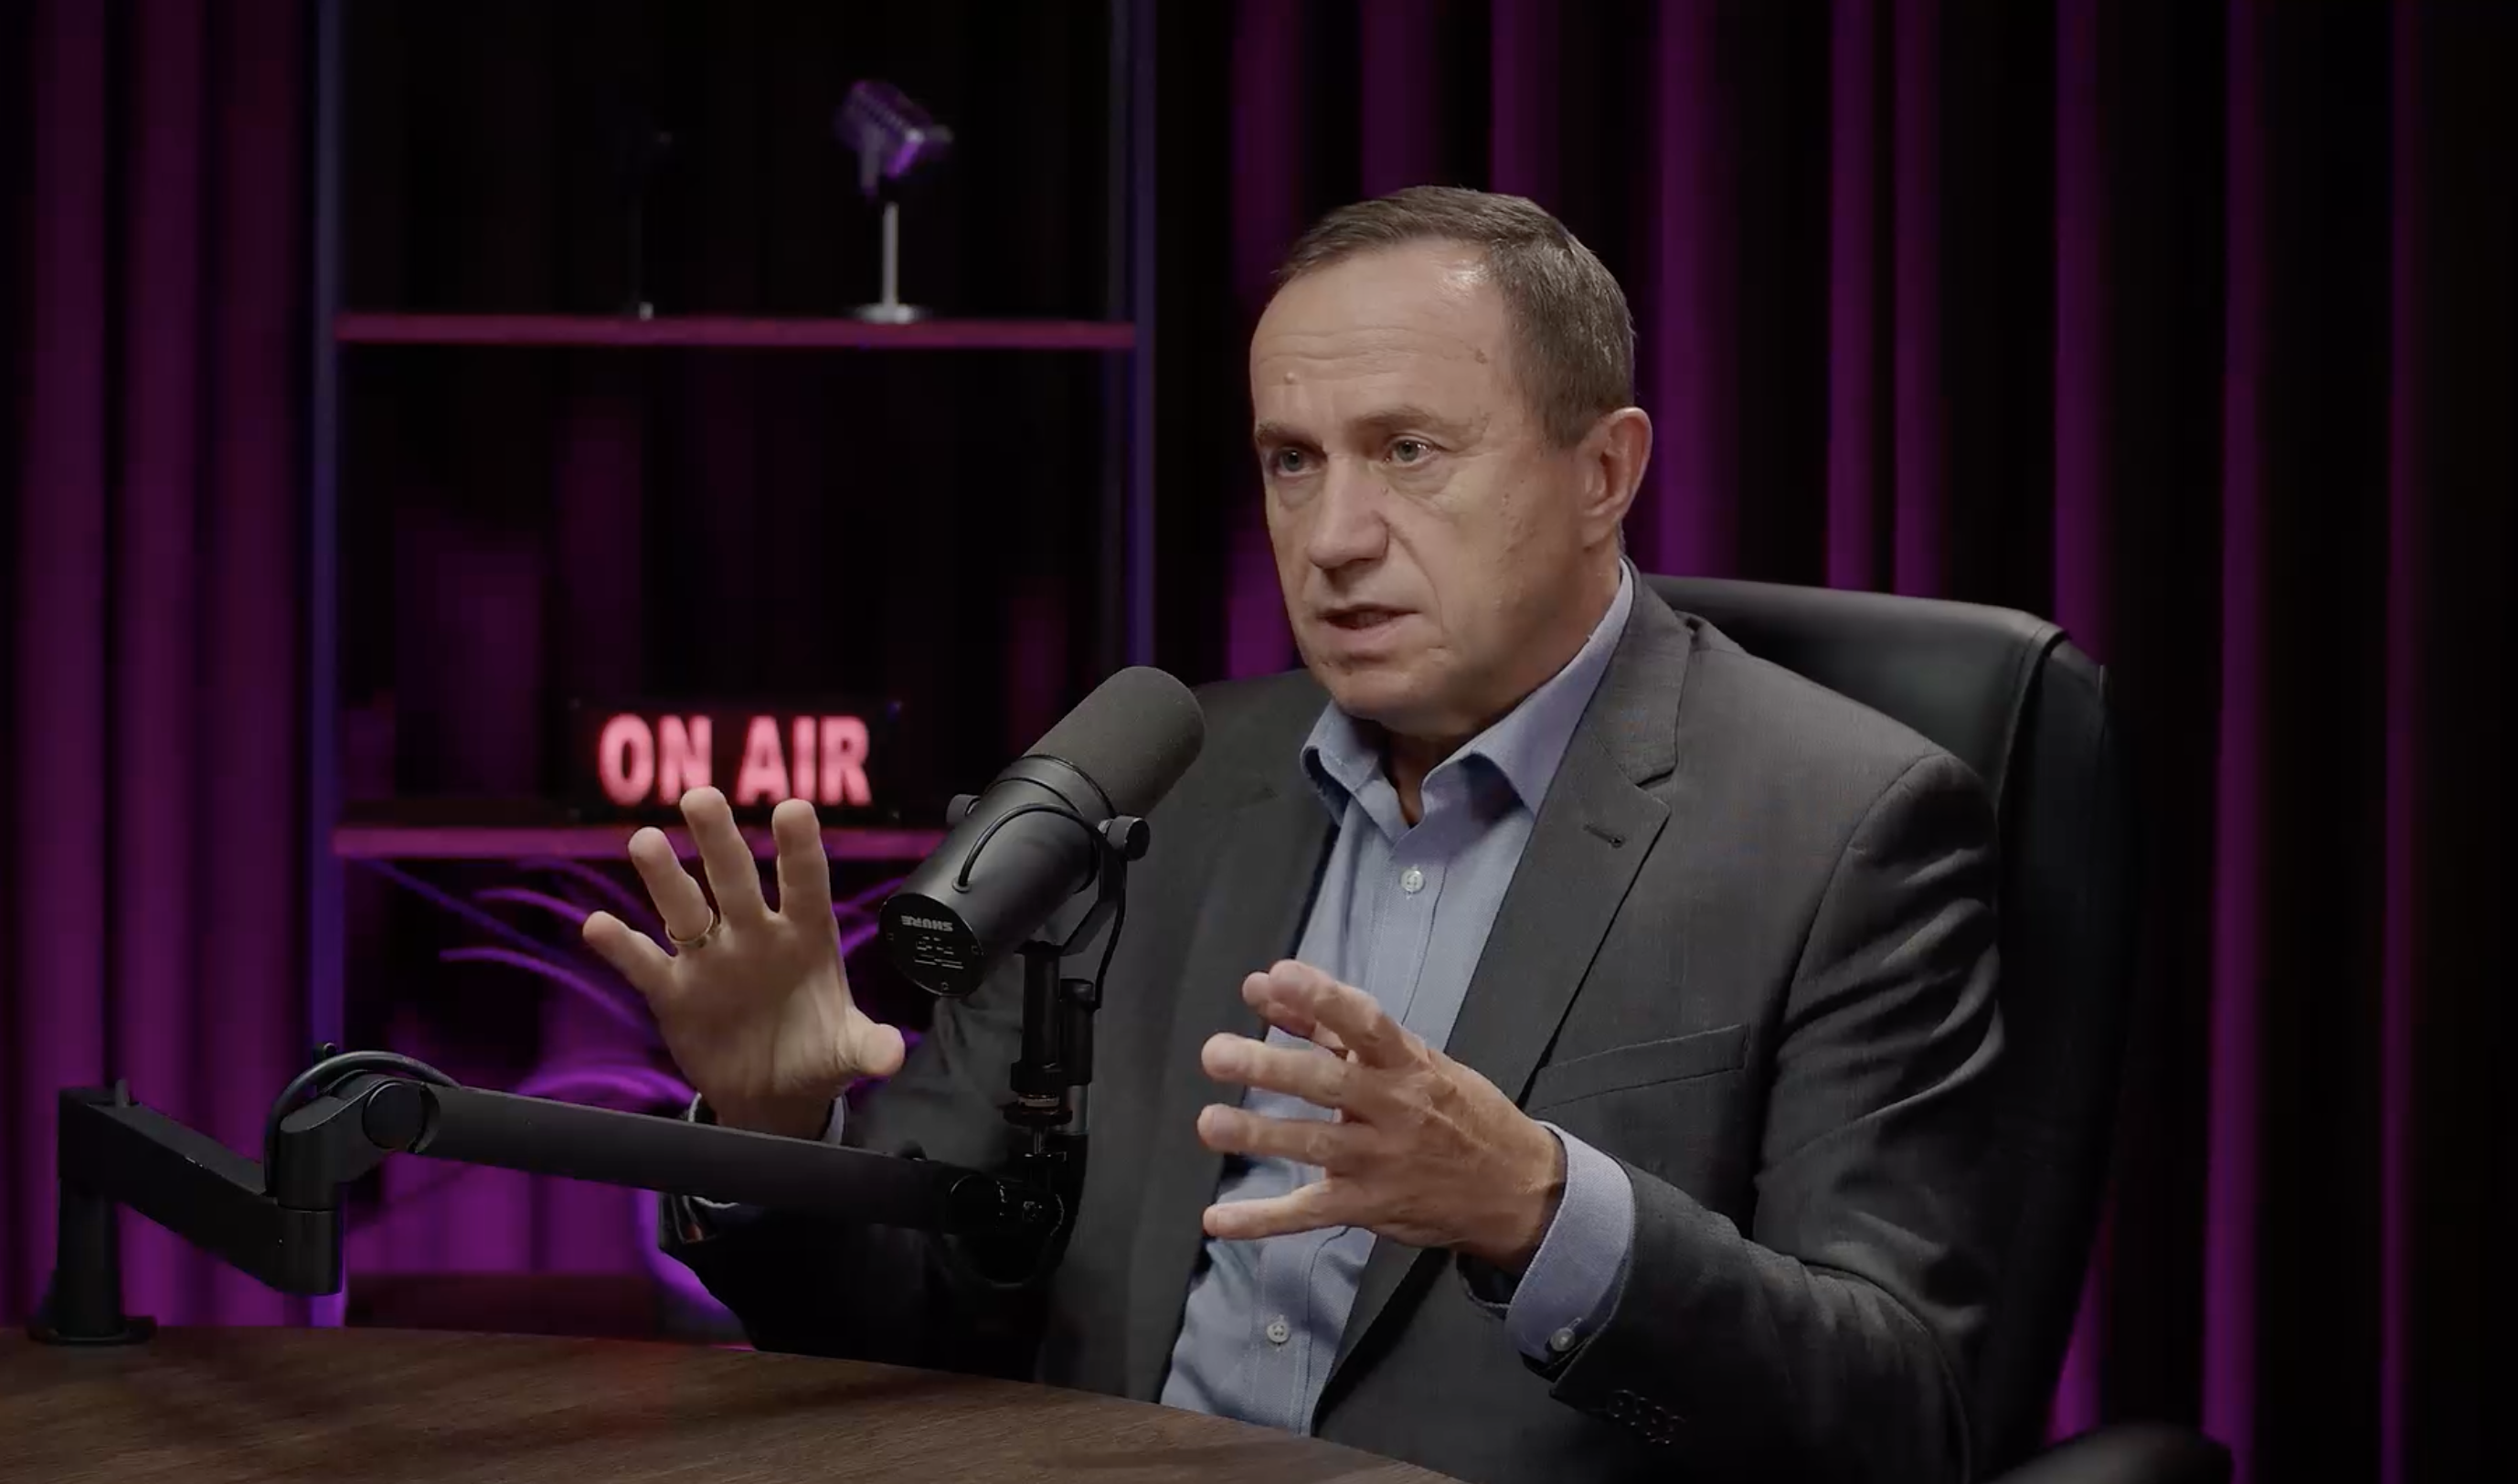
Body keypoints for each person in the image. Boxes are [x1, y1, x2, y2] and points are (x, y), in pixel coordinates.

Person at [582, 186, 2003, 1484]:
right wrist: (777, 1135)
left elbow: (1900, 1416)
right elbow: (926, 1326)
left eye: (1407, 451)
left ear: (1603, 472)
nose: (1332, 536)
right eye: (1292, 462)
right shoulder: (1161, 788)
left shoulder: (1844, 828)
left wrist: (1540, 1209)